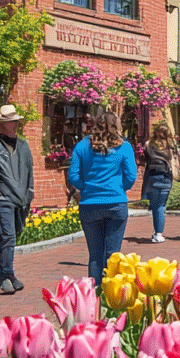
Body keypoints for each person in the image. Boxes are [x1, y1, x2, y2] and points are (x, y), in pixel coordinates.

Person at [68, 111, 136, 287]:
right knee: (113, 255)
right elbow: (131, 176)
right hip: (115, 202)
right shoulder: (124, 147)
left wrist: (86, 188)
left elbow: (73, 176)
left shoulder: (82, 147)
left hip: (90, 204)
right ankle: (110, 297)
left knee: (95, 255)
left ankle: (94, 296)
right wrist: (120, 188)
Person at [0, 104, 34, 294]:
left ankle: (0, 270)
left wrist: (30, 192)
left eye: (16, 121)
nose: (15, 125)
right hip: (2, 198)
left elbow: (29, 170)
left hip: (21, 198)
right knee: (7, 235)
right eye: (11, 122)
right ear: (1, 124)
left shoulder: (23, 145)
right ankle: (7, 274)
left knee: (9, 234)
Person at [140, 122, 177, 243]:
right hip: (166, 177)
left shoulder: (148, 145)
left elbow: (144, 159)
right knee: (161, 206)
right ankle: (159, 233)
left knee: (156, 206)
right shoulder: (171, 146)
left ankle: (157, 232)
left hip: (153, 177)